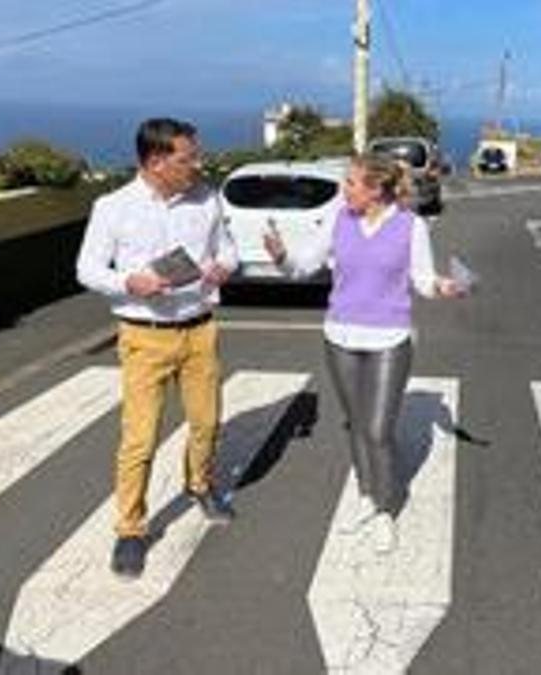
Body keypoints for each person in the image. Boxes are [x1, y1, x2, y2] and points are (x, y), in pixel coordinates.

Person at [263, 152, 464, 554]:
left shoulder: (412, 227)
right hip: (339, 335)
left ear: (375, 190)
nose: (344, 190)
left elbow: (422, 280)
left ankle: (386, 509)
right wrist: (282, 256)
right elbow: (303, 266)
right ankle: (367, 496)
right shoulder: (339, 219)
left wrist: (442, 286)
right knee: (355, 425)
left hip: (389, 338)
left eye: (351, 184)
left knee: (377, 430)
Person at [76, 117, 238, 578]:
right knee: (140, 438)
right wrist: (130, 280)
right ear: (155, 161)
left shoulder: (207, 199)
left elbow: (229, 251)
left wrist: (223, 267)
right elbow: (86, 269)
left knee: (207, 423)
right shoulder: (113, 207)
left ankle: (200, 484)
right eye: (187, 158)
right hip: (143, 334)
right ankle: (130, 529)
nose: (197, 164)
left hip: (200, 328)